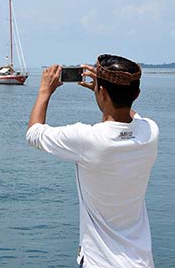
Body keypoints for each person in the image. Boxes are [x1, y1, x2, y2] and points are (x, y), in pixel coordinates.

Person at [26, 54, 159, 268]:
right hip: (142, 261)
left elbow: (34, 134)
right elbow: (131, 116)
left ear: (102, 91)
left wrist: (45, 91)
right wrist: (105, 95)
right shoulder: (150, 132)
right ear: (137, 94)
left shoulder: (87, 139)